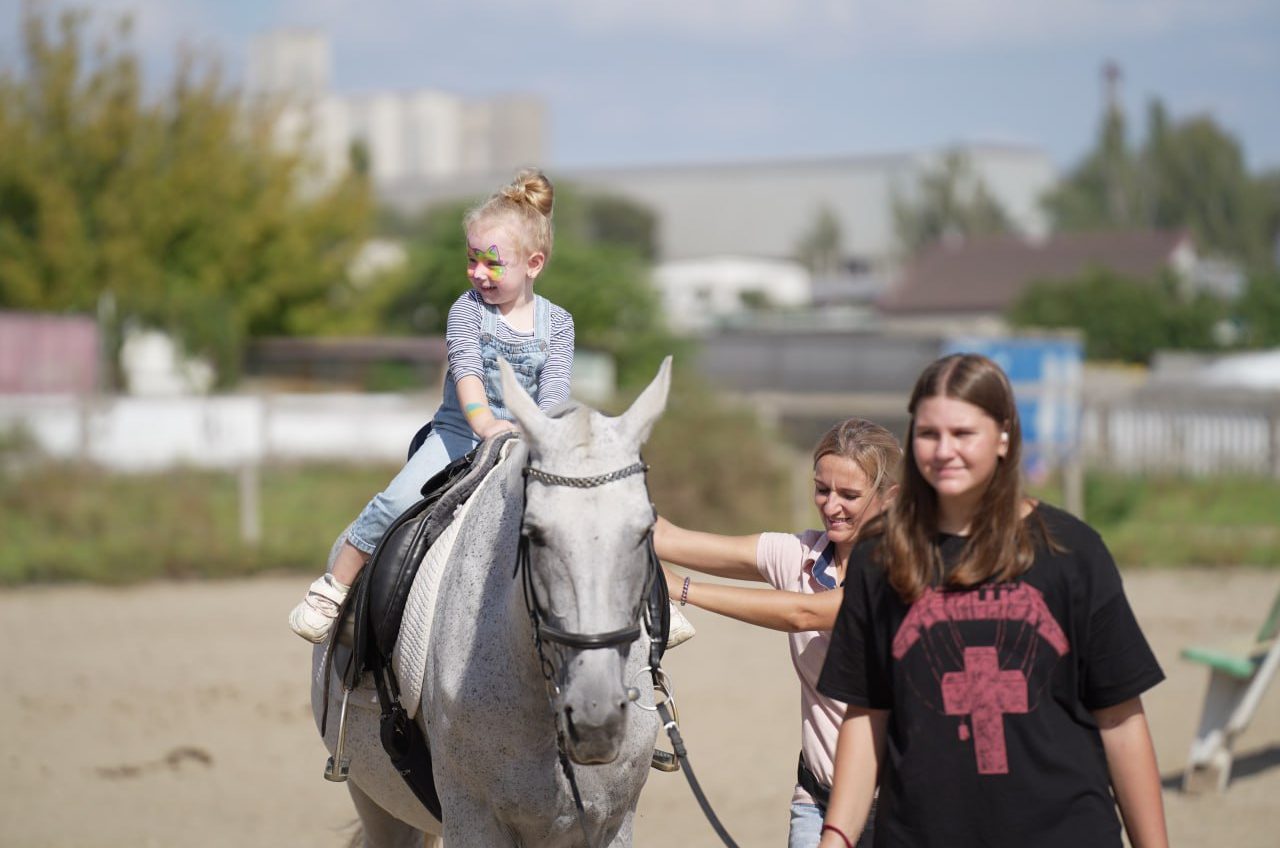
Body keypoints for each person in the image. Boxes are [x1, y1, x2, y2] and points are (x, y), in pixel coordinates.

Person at [815, 353, 1168, 848]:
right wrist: (836, 839)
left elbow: (1121, 719)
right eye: (929, 434)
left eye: (963, 434)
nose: (944, 451)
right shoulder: (882, 555)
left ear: (1004, 436)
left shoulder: (1071, 552)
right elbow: (867, 716)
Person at [289, 168, 573, 643]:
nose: (478, 273)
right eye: (472, 259)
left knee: (591, 505)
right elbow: (466, 374)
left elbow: (555, 392)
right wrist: (486, 426)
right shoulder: (467, 311)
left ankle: (647, 597)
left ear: (534, 264)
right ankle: (335, 586)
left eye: (491, 262)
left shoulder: (558, 324)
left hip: (528, 440)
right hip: (461, 434)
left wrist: (536, 436)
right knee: (397, 500)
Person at [655, 418, 901, 848]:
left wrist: (683, 589)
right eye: (822, 490)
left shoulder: (905, 570)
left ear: (889, 498)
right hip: (817, 801)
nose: (831, 506)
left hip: (903, 809)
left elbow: (805, 613)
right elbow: (671, 539)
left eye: (849, 495)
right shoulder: (799, 554)